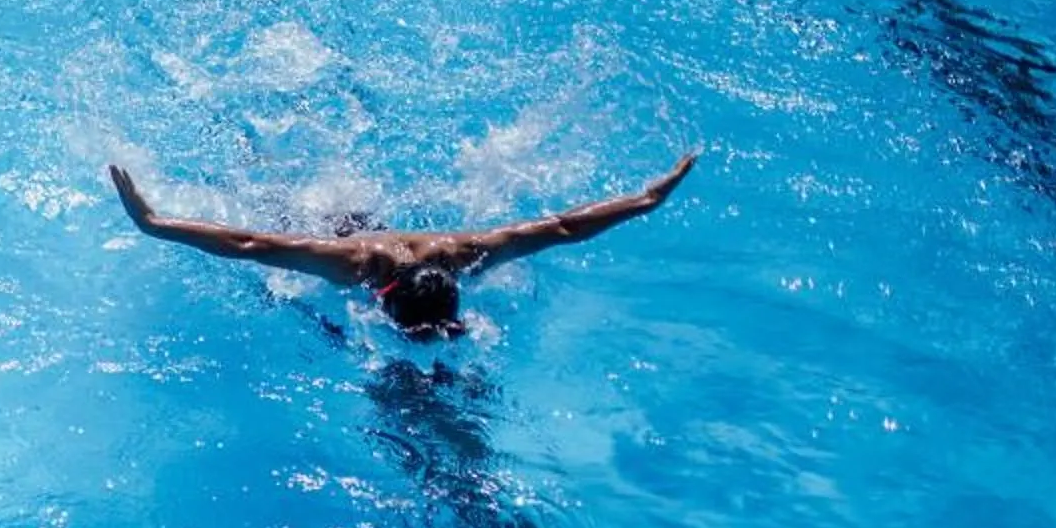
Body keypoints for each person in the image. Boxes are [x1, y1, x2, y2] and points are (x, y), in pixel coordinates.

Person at [107, 154, 697, 337]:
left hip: (372, 228)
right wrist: (153, 221)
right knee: (285, 216)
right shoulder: (349, 264)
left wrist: (648, 199)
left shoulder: (464, 254)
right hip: (323, 223)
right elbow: (251, 240)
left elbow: (564, 228)